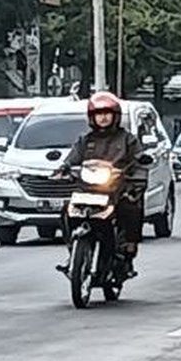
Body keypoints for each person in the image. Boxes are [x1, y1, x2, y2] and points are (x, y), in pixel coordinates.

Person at [57, 92, 145, 278]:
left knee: (131, 206)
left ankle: (127, 252)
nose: (103, 117)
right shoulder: (85, 140)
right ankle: (73, 253)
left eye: (107, 113)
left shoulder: (127, 139)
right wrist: (64, 168)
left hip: (116, 189)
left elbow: (139, 161)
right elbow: (72, 158)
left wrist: (136, 177)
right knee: (66, 210)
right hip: (87, 190)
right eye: (99, 113)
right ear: (92, 117)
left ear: (115, 116)